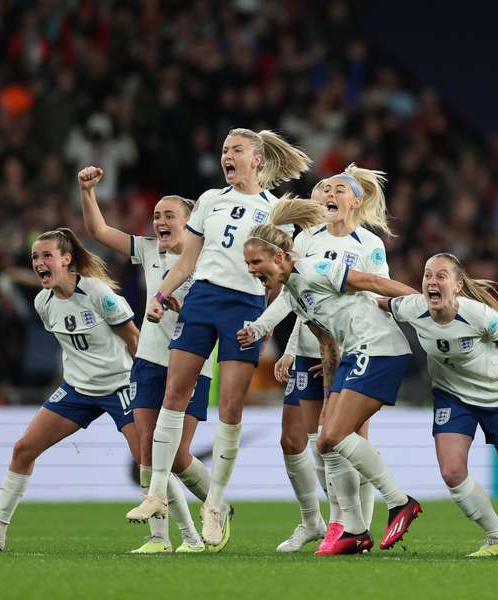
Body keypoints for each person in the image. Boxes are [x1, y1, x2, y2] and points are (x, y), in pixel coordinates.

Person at [125, 128, 312, 552]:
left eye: (236, 150)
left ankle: (214, 505)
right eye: (224, 149)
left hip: (243, 307)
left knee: (230, 407)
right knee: (174, 391)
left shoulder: (275, 210)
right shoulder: (209, 200)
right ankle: (156, 493)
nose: (227, 156)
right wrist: (161, 295)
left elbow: (283, 277)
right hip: (203, 300)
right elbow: (188, 261)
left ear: (257, 160)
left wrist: (266, 324)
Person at [239, 198, 422, 555]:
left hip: (379, 347)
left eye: (255, 262)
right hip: (353, 354)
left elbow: (372, 282)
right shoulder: (293, 289)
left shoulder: (313, 269)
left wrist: (424, 305)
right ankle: (355, 531)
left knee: (334, 436)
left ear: (278, 257)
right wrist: (330, 386)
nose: (251, 270)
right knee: (325, 441)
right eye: (247, 263)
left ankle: (400, 503)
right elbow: (325, 339)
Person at [0, 229, 142, 551]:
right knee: (24, 448)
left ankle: (179, 533)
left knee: (147, 459)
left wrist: (143, 386)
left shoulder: (99, 294)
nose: (39, 263)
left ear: (67, 259)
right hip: (78, 389)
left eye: (46, 255)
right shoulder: (43, 302)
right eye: (35, 257)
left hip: (120, 385)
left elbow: (133, 339)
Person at [385, 253, 498, 557]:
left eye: (441, 275)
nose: (432, 281)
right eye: (428, 274)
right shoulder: (412, 308)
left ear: (457, 285)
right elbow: (384, 303)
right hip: (451, 395)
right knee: (452, 472)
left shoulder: (477, 313)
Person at [79, 165, 212, 553]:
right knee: (146, 452)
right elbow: (99, 233)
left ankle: (215, 507)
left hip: (191, 362)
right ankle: (159, 538)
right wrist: (87, 192)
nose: (160, 221)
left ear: (190, 224)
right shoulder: (149, 249)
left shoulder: (206, 261)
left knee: (178, 456)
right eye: (156, 215)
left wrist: (181, 306)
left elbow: (214, 309)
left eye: (169, 215)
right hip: (149, 360)